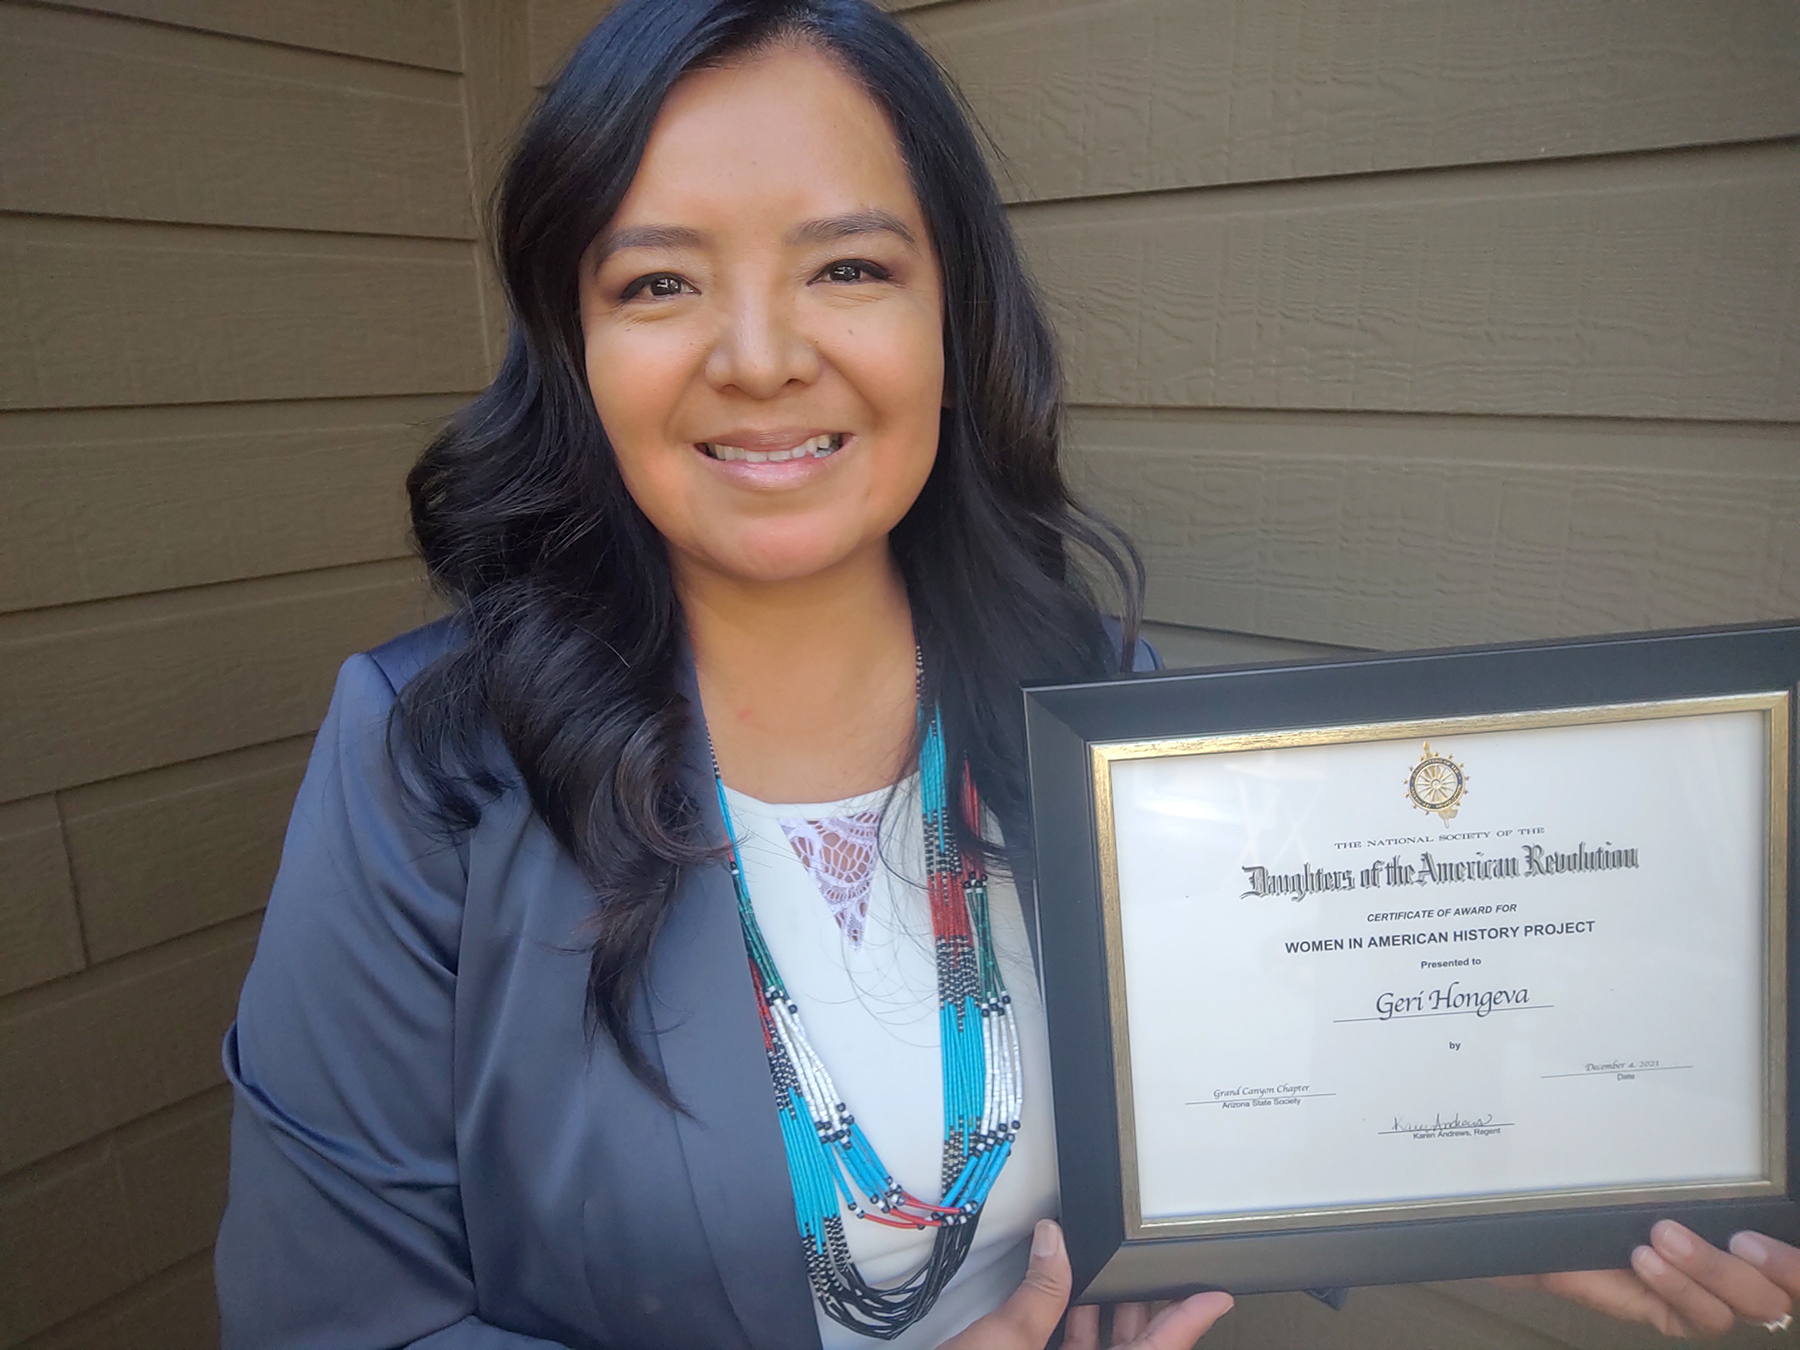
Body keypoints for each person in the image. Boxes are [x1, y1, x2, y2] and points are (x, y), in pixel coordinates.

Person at [213, 1, 1800, 1346]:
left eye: (848, 268)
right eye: (657, 280)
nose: (760, 354)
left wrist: (1494, 1192)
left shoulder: (1100, 704)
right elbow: (332, 1319)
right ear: (572, 348)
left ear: (955, 315)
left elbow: (1258, 1098)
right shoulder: (430, 767)